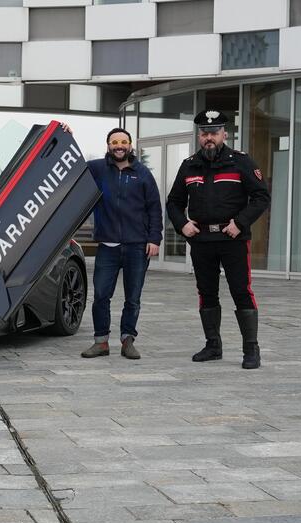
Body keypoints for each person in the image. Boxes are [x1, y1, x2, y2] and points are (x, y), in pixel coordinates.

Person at [166, 110, 270, 369]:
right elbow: (174, 202)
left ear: (225, 134)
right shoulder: (189, 165)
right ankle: (213, 345)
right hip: (201, 241)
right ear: (199, 136)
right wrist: (182, 225)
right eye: (204, 133)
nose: (208, 138)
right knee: (206, 293)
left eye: (213, 133)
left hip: (232, 238)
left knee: (241, 291)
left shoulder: (241, 162)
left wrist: (240, 223)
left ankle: (251, 350)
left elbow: (261, 197)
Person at [80, 127, 163, 360]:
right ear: (108, 145)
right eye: (114, 142)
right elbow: (72, 164)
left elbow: (154, 209)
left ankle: (128, 341)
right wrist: (67, 133)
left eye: (123, 142)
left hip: (137, 246)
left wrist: (154, 239)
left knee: (133, 298)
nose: (119, 145)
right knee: (100, 296)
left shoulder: (143, 173)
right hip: (108, 246)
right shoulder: (97, 169)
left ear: (130, 146)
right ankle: (101, 342)